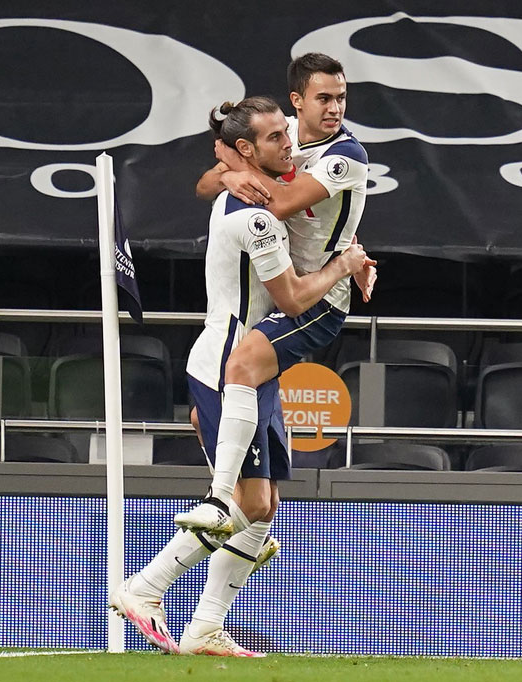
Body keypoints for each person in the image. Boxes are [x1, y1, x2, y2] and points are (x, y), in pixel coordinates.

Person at [111, 95, 371, 657]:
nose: (289, 143)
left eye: (286, 133)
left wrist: (229, 169)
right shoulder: (257, 218)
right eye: (276, 137)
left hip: (255, 371)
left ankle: (205, 626)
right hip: (230, 369)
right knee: (244, 508)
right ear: (249, 149)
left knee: (263, 509)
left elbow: (215, 179)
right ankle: (146, 587)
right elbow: (295, 300)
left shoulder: (249, 188)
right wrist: (342, 265)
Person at [175, 52, 373, 537]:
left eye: (341, 97)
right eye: (324, 98)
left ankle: (218, 499)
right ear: (297, 101)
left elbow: (280, 202)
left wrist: (346, 263)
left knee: (240, 365)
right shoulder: (280, 134)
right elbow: (203, 186)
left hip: (320, 298)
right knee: (260, 502)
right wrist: (228, 173)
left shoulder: (347, 154)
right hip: (287, 285)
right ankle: (241, 541)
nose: (335, 108)